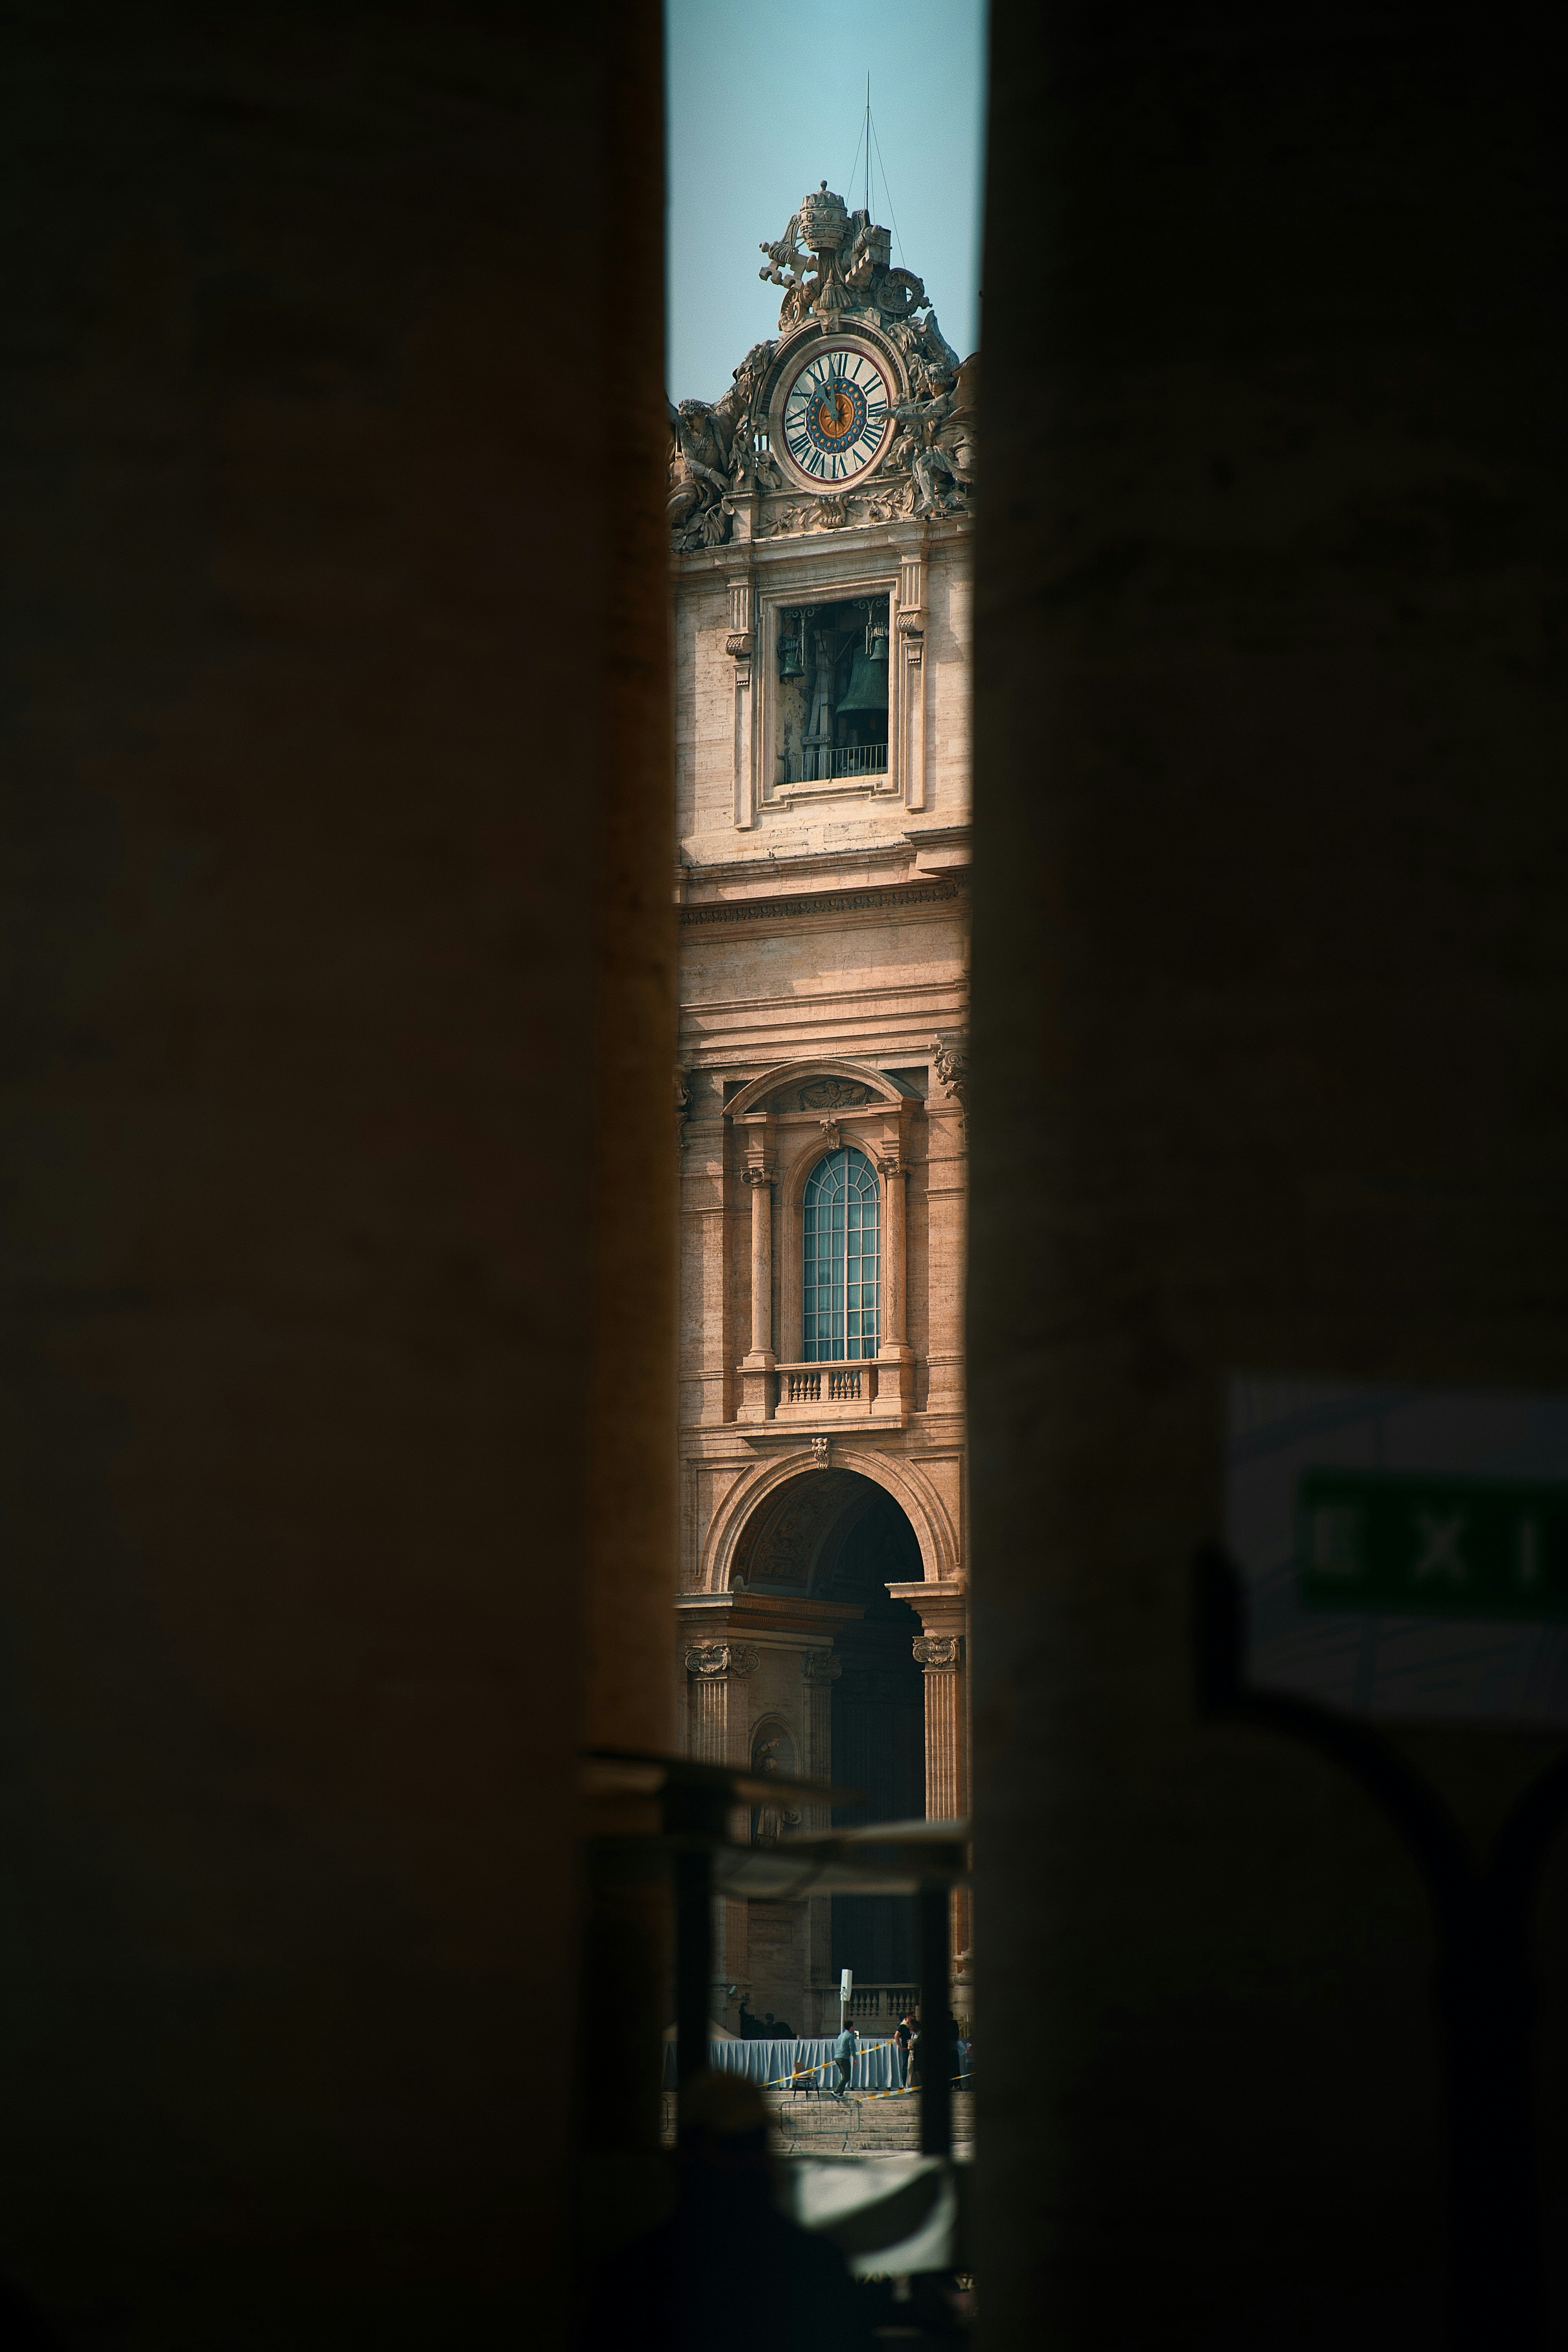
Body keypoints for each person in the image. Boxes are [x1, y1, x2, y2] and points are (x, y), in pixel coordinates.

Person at [582, 2069, 871, 2351]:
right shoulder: (816, 2265)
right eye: (737, 2146)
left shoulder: (635, 2274)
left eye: (755, 2143)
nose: (750, 2163)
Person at [832, 2017, 858, 2099]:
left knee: (844, 2076)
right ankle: (836, 2091)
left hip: (837, 2057)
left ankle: (841, 2094)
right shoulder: (850, 2036)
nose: (854, 2028)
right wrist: (855, 2058)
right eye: (853, 2027)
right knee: (847, 2077)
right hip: (844, 2058)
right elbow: (852, 2048)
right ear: (851, 2027)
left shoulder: (841, 2036)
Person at [894, 2011, 915, 2090]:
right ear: (909, 2017)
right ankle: (904, 2084)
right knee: (905, 2066)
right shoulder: (903, 2026)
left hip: (912, 2048)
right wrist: (900, 2047)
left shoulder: (912, 2025)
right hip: (906, 2049)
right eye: (914, 2016)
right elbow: (896, 2036)